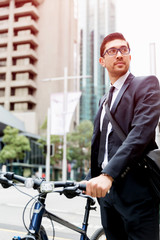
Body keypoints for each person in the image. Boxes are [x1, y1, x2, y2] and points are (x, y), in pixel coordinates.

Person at [83, 32, 160, 240]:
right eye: (112, 51)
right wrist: (89, 178)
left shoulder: (146, 85)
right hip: (107, 198)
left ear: (129, 56)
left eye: (123, 50)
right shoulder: (103, 100)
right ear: (102, 61)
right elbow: (102, 148)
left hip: (137, 193)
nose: (119, 54)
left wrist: (108, 175)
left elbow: (139, 135)